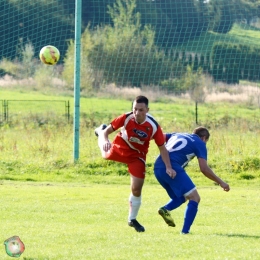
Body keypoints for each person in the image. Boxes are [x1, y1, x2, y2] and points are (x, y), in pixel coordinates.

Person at [94, 95, 175, 232]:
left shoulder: (153, 126)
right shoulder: (126, 117)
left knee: (137, 188)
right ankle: (98, 130)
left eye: (141, 110)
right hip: (120, 146)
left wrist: (168, 167)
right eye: (135, 109)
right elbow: (108, 132)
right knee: (104, 154)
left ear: (147, 110)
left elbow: (162, 148)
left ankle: (132, 219)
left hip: (137, 156)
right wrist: (105, 138)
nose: (137, 113)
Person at [154, 126, 230, 234]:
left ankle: (165, 209)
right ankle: (185, 232)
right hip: (172, 167)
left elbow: (158, 136)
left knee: (181, 197)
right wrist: (221, 182)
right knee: (195, 197)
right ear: (204, 138)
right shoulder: (200, 143)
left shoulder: (178, 134)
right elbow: (204, 169)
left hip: (158, 168)